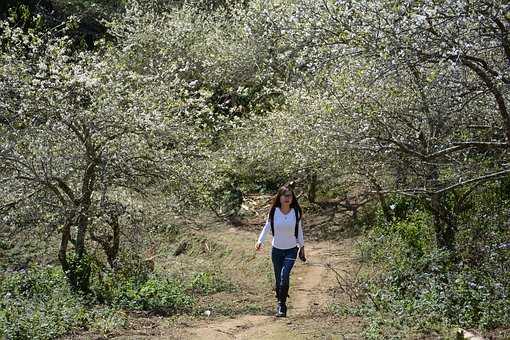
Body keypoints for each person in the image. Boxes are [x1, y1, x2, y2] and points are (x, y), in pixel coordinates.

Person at [255, 184, 306, 317]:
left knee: (284, 276)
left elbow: (299, 230)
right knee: (278, 279)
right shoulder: (274, 211)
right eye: (285, 195)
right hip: (276, 250)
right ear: (280, 197)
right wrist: (260, 241)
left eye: (290, 195)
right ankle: (279, 300)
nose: (287, 198)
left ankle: (282, 306)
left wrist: (302, 247)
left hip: (291, 250)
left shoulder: (296, 212)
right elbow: (267, 227)